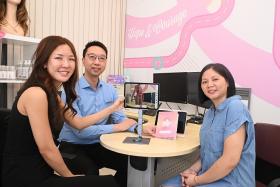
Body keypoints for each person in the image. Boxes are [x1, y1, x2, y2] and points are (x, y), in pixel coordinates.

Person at [1, 35, 123, 187]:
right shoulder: (36, 93)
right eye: (59, 58)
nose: (66, 64)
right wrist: (70, 177)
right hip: (25, 176)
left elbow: (78, 123)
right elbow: (47, 149)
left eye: (71, 59)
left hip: (42, 170)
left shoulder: (52, 93)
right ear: (44, 62)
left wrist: (111, 108)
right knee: (107, 183)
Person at [58, 40, 155, 187]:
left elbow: (120, 118)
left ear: (105, 62)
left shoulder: (109, 89)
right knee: (91, 172)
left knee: (130, 163)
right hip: (72, 146)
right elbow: (80, 131)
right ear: (83, 60)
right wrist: (116, 128)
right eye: (92, 57)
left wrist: (138, 127)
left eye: (101, 58)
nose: (97, 62)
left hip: (98, 144)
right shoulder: (69, 89)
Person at [162, 63, 255, 187]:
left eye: (215, 79)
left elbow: (230, 161)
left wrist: (196, 181)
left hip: (232, 181)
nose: (209, 85)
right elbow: (207, 154)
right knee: (167, 184)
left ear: (227, 82)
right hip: (209, 175)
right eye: (204, 82)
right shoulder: (210, 112)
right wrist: (192, 170)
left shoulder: (235, 108)